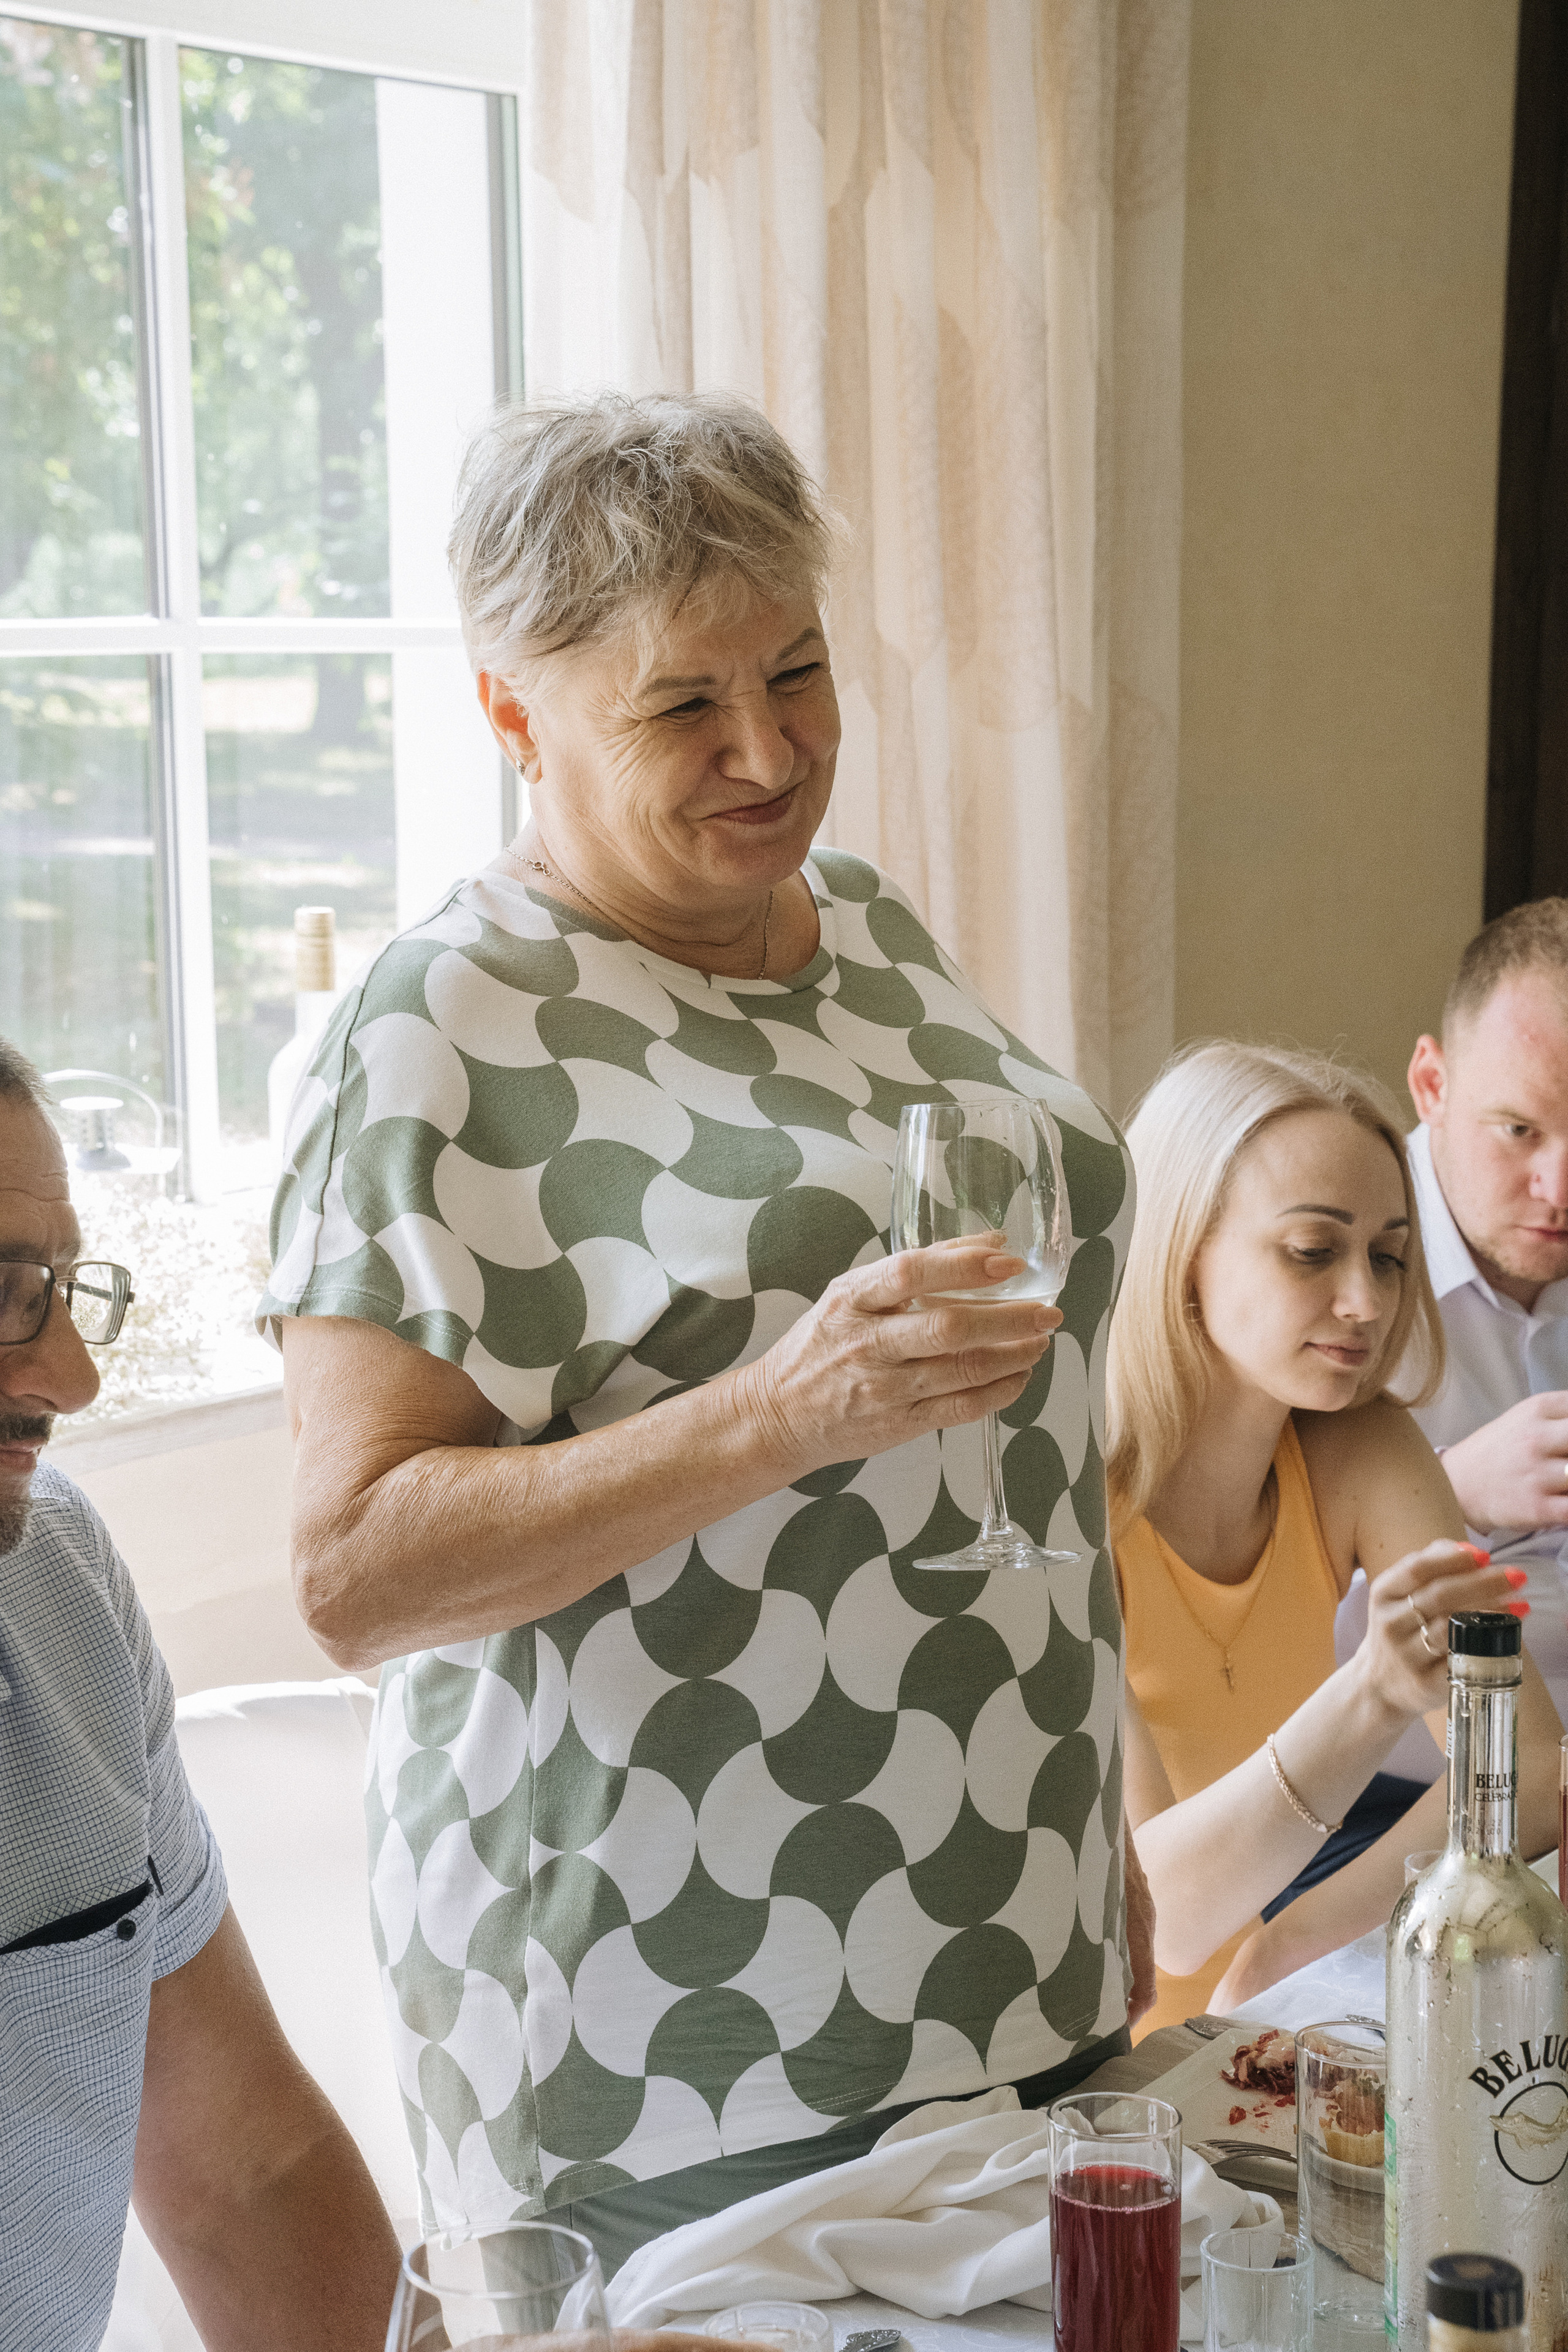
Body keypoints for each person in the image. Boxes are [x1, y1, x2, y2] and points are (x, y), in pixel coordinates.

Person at [260, 388, 1153, 2277]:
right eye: (681, 706)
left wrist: (1093, 1830)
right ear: (513, 712)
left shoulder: (874, 931)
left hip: (1013, 1925)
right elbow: (354, 1574)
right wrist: (777, 1414)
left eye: (801, 670)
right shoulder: (432, 1032)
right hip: (674, 2015)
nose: (769, 750)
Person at [0, 1039, 401, 2352]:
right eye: (5, 1291)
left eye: (58, 1291)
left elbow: (250, 2174)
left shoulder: (56, 1579)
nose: (71, 1378)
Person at [1109, 1042, 1563, 2034]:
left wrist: (1294, 1936)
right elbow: (1162, 1922)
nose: (1367, 1301)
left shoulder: (1362, 1448)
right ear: (1181, 1250)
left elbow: (1529, 1773)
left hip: (1276, 2029)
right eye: (1314, 1251)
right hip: (1097, 2076)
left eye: (1389, 1255)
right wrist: (1369, 1696)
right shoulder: (1067, 1499)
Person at [1399, 897, 1568, 1728]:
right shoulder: (1328, 1259)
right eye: (1518, 1130)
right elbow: (1234, 1587)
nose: (1560, 1192)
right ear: (1433, 1084)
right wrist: (1450, 1487)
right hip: (1408, 1789)